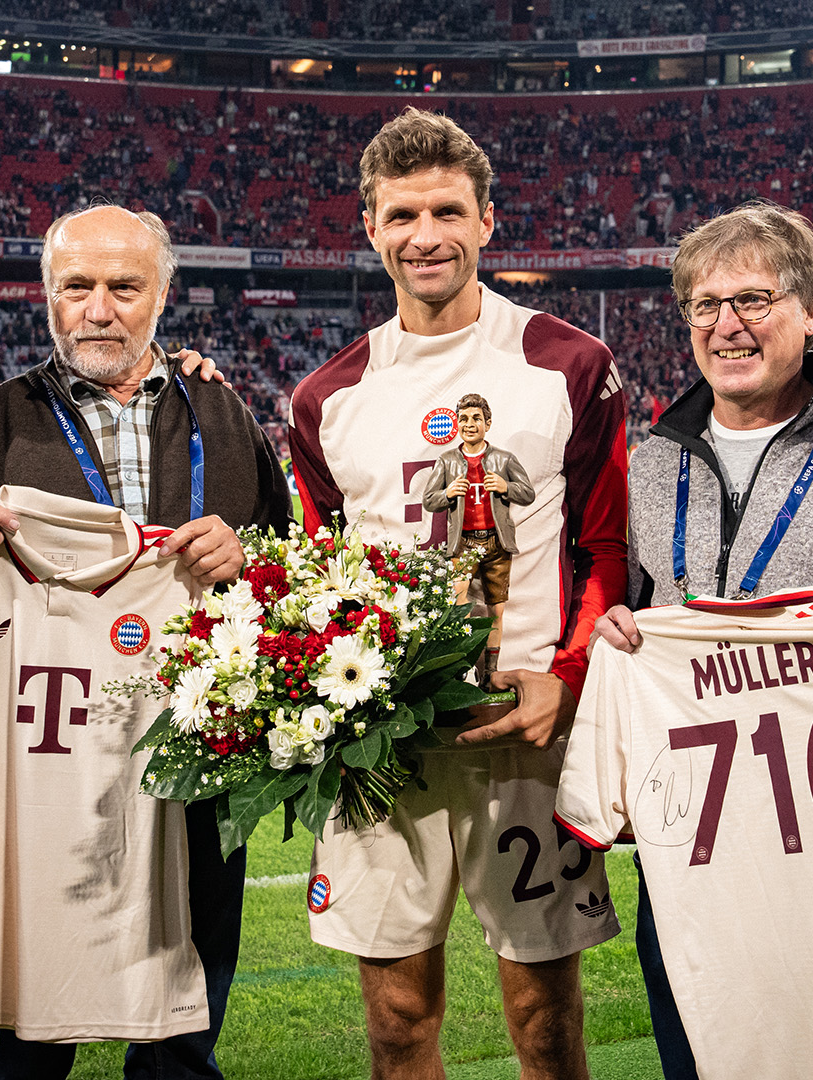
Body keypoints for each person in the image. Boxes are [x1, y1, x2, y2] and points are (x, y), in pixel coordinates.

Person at [289, 107, 628, 1080]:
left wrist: (564, 673)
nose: (424, 234)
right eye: (401, 215)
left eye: (446, 210)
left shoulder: (567, 366)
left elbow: (603, 549)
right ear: (370, 226)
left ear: (486, 221)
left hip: (523, 736)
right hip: (385, 752)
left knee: (547, 1023)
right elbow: (322, 575)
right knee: (397, 1022)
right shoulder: (327, 397)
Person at [587, 200, 813, 1078]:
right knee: (693, 1049)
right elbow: (628, 602)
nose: (727, 326)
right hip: (692, 842)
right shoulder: (649, 458)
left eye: (754, 300)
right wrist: (617, 624)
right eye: (704, 306)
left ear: (812, 310)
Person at [0, 204, 287, 1079]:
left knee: (182, 1026)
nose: (100, 308)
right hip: (49, 757)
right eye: (76, 287)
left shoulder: (224, 411)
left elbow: (291, 567)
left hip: (199, 756)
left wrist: (246, 558)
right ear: (46, 298)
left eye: (124, 286)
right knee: (29, 1034)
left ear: (162, 294)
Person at [420, 392, 534, 678]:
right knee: (459, 607)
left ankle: (490, 673)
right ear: (456, 424)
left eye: (476, 419)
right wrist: (447, 493)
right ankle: (460, 669)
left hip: (496, 542)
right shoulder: (447, 461)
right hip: (463, 543)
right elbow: (429, 500)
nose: (469, 424)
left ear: (488, 423)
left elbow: (528, 493)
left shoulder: (505, 459)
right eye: (464, 418)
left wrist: (506, 487)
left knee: (496, 610)